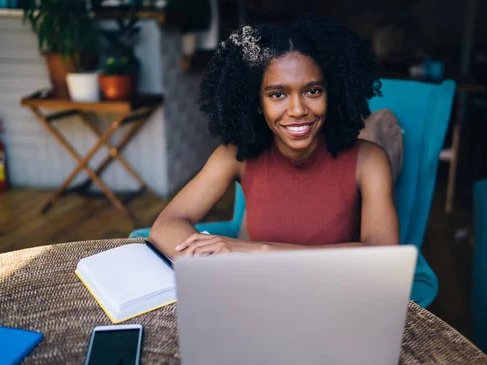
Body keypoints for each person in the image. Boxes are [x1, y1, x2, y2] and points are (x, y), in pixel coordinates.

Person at [150, 14, 399, 257]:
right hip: (256, 292)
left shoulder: (368, 161)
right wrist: (218, 260)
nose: (298, 110)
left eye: (313, 91)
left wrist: (262, 251)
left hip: (333, 295)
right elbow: (166, 225)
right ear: (257, 102)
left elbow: (383, 256)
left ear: (331, 93)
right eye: (277, 95)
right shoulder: (235, 157)